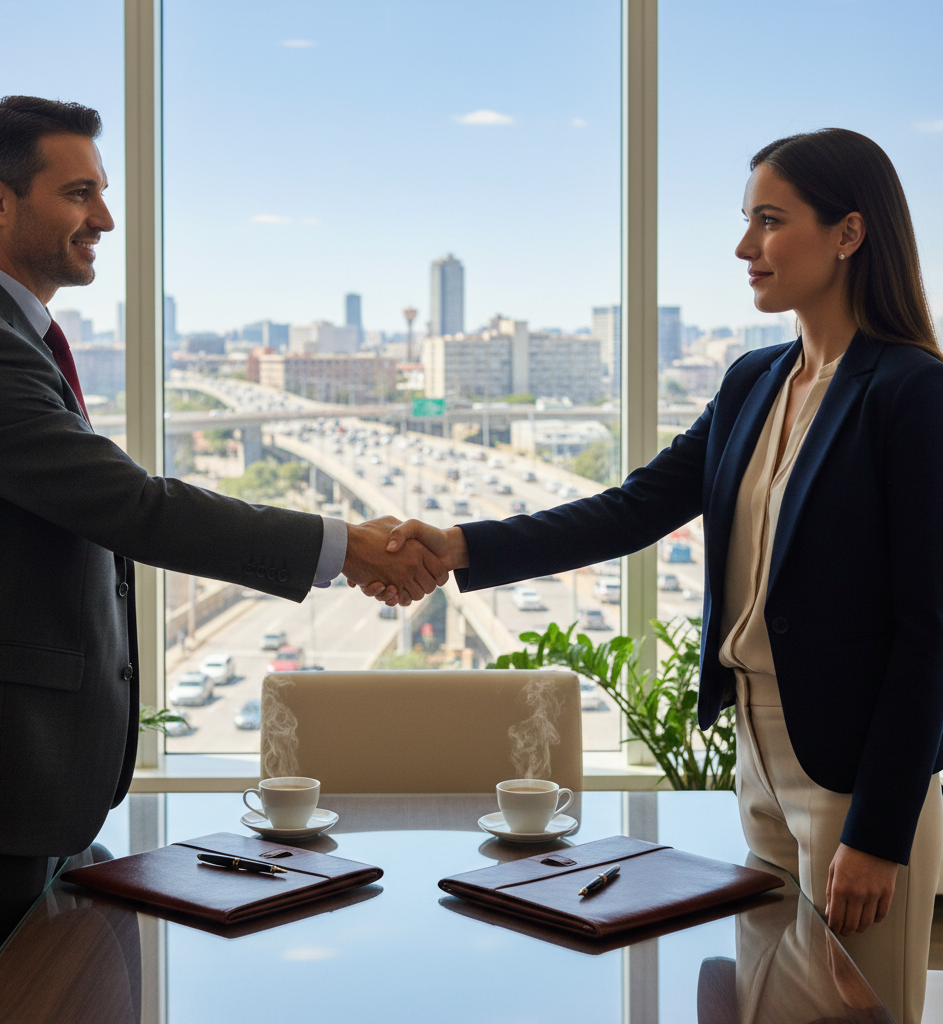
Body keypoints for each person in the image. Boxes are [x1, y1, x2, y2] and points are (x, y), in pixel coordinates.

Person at [376, 129, 943, 1024]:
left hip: (854, 776)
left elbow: (931, 633)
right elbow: (633, 508)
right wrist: (459, 544)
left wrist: (878, 831)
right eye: (745, 221)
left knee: (853, 1012)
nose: (744, 247)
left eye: (769, 220)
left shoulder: (912, 392)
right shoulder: (755, 380)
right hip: (753, 756)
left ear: (848, 233)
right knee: (762, 1003)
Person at [0, 95, 445, 1024]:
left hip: (19, 781)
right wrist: (342, 546)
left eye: (105, 192)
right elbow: (129, 507)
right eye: (79, 193)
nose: (106, 220)